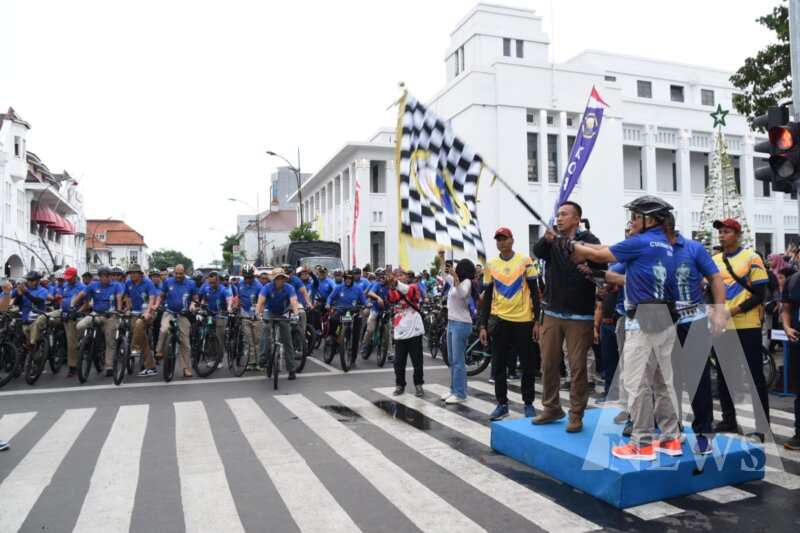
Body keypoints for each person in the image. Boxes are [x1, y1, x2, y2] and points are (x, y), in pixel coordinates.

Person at [568, 196, 681, 461]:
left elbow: (599, 253)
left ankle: (642, 443)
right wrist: (596, 272)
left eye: (636, 216)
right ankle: (670, 439)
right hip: (665, 317)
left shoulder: (640, 242)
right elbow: (628, 276)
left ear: (650, 219)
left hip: (644, 320)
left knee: (636, 382)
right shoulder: (664, 245)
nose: (631, 221)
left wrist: (572, 244)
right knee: (662, 381)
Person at [532, 201, 602, 432]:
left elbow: (599, 265)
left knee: (578, 367)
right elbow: (538, 252)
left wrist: (573, 247)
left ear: (576, 219)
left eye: (564, 215)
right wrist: (547, 239)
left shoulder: (590, 240)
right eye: (557, 215)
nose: (559, 218)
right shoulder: (552, 240)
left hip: (580, 315)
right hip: (551, 311)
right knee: (549, 363)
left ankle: (576, 413)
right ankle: (551, 407)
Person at [666, 216, 727, 454]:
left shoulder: (693, 248)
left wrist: (720, 311)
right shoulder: (647, 248)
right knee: (666, 380)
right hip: (662, 322)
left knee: (698, 380)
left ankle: (703, 432)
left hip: (694, 321)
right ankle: (671, 430)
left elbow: (715, 278)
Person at [712, 218, 771, 439]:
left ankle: (762, 427)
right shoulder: (714, 260)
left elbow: (759, 294)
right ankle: (728, 420)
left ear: (737, 235)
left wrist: (732, 311)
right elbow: (710, 290)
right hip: (722, 326)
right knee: (724, 374)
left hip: (747, 325)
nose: (721, 235)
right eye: (720, 232)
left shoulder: (752, 257)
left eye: (726, 232)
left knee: (754, 376)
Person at [480, 227, 540, 421]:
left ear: (512, 240)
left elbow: (535, 291)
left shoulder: (525, 261)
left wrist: (537, 321)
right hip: (500, 321)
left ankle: (528, 403)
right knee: (498, 365)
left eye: (504, 239)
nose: (501, 242)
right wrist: (482, 325)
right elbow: (487, 297)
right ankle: (502, 404)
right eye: (498, 239)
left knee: (528, 365)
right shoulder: (491, 264)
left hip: (524, 321)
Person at [73, 266, 125, 377]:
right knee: (80, 325)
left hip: (110, 316)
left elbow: (119, 298)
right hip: (96, 314)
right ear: (99, 277)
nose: (105, 278)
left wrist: (119, 310)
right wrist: (73, 305)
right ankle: (84, 343)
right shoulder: (93, 285)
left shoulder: (116, 285)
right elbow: (82, 294)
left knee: (110, 340)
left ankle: (109, 366)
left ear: (110, 277)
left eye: (108, 276)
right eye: (103, 276)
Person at [256, 268, 301, 379]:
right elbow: (260, 301)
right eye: (278, 278)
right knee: (265, 329)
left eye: (282, 278)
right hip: (269, 312)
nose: (280, 281)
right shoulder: (267, 288)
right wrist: (258, 313)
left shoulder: (289, 288)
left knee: (287, 340)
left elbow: (294, 302)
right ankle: (263, 358)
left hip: (283, 313)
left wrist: (296, 314)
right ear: (274, 280)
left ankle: (291, 369)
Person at [387, 269, 426, 397]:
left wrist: (396, 283)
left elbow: (409, 292)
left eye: (401, 275)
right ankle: (400, 385)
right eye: (397, 275)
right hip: (400, 331)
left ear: (407, 277)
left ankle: (418, 385)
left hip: (414, 331)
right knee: (399, 362)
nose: (399, 277)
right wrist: (392, 286)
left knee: (417, 361)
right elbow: (392, 298)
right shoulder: (395, 289)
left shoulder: (413, 287)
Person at [444, 259, 477, 404]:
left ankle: (460, 393)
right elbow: (444, 276)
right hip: (452, 322)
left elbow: (462, 294)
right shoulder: (456, 281)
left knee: (458, 361)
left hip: (461, 324)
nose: (455, 268)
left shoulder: (467, 282)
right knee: (452, 359)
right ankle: (454, 389)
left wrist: (456, 278)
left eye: (457, 267)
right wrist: (441, 257)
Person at [156, 264, 197, 378]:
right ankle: (159, 351)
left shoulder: (191, 283)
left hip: (183, 315)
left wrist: (193, 304)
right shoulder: (168, 282)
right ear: (174, 273)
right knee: (164, 330)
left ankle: (186, 368)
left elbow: (195, 297)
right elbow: (162, 296)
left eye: (181, 273)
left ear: (184, 273)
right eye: (177, 273)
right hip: (169, 311)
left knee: (185, 343)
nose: (178, 276)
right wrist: (157, 305)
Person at [123, 264, 161, 377]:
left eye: (135, 273)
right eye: (131, 273)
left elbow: (152, 299)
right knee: (141, 337)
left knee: (139, 324)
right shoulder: (128, 283)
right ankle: (151, 367)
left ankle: (134, 348)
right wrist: (128, 308)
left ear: (140, 274)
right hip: (135, 312)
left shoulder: (148, 283)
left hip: (148, 313)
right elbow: (127, 296)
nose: (132, 275)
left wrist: (148, 312)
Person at [326, 269, 368, 363]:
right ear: (344, 279)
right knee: (333, 319)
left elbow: (364, 300)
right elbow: (330, 297)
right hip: (341, 310)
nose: (348, 280)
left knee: (356, 333)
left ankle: (353, 357)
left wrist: (367, 304)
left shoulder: (358, 289)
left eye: (350, 278)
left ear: (352, 279)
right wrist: (328, 304)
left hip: (354, 312)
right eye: (346, 278)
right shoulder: (339, 288)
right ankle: (332, 336)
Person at [779, 269, 800, 450]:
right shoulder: (792, 281)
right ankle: (799, 434)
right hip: (797, 341)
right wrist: (786, 327)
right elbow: (786, 309)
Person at [197, 271, 233, 358]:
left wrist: (229, 307)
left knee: (219, 337)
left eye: (213, 282)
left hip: (221, 315)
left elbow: (229, 300)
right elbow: (204, 300)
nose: (211, 284)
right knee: (210, 335)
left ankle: (219, 359)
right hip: (210, 314)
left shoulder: (224, 290)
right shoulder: (207, 289)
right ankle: (211, 356)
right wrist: (201, 308)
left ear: (218, 281)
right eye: (210, 282)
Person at [59, 267, 85, 378]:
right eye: (66, 278)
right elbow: (63, 299)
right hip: (63, 314)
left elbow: (86, 304)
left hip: (74, 316)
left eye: (70, 278)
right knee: (44, 318)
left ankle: (72, 367)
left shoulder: (82, 287)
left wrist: (77, 312)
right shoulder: (65, 286)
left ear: (75, 276)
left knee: (71, 342)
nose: (67, 280)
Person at [360, 268, 390, 357]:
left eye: (383, 276)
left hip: (386, 311)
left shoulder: (389, 285)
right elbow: (370, 293)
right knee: (370, 329)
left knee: (388, 330)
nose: (381, 278)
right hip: (375, 310)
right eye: (379, 276)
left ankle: (389, 352)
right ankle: (365, 345)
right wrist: (378, 298)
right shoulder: (376, 284)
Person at [237, 264, 263, 365]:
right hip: (244, 315)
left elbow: (263, 301)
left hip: (256, 316)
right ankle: (251, 362)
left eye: (250, 277)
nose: (248, 279)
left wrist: (259, 311)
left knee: (257, 340)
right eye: (246, 277)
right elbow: (239, 297)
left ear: (253, 275)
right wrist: (236, 305)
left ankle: (258, 362)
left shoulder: (259, 286)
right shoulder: (240, 284)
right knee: (248, 341)